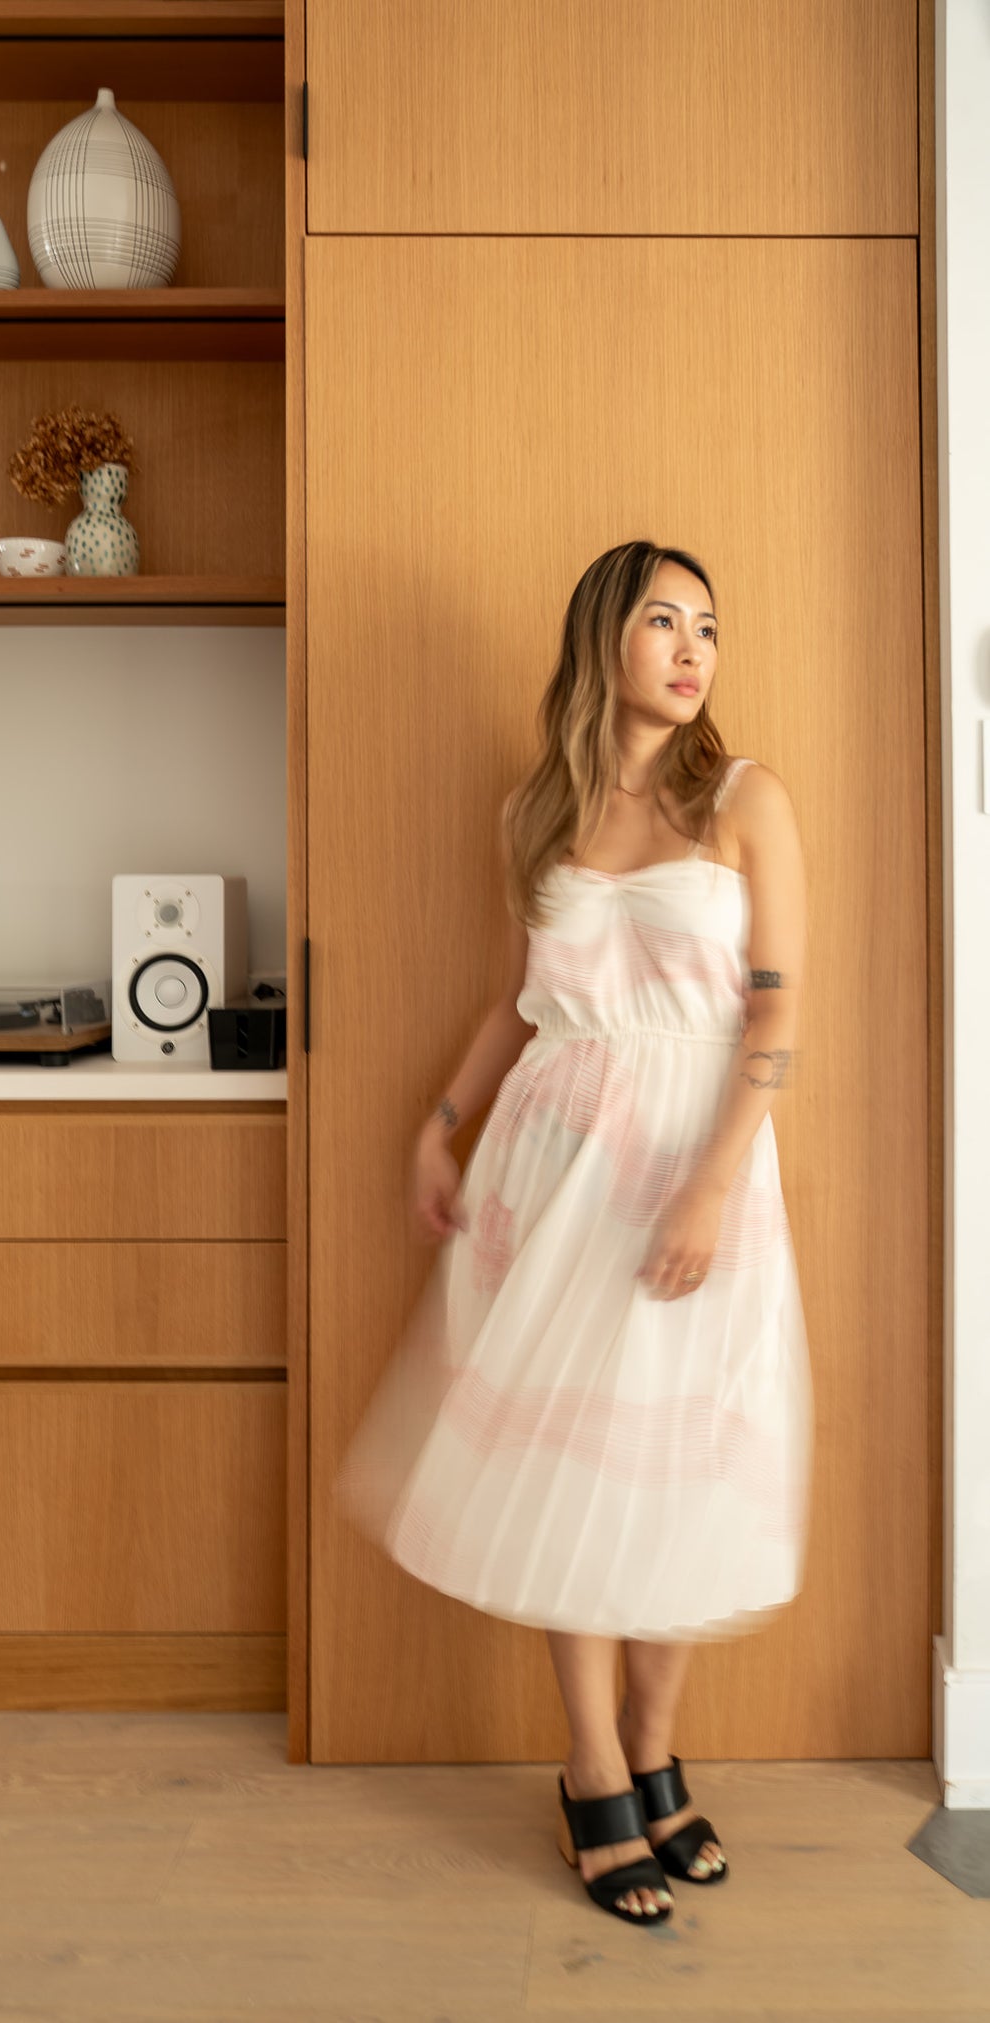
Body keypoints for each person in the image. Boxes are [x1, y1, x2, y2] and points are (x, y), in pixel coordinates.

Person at [336, 538, 814, 1929]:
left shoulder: (740, 797)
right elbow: (517, 1002)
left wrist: (716, 1180)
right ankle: (593, 1765)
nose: (690, 646)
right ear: (600, 636)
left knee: (676, 1460)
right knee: (566, 1460)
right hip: (548, 1168)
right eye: (661, 618)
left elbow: (774, 1009)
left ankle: (657, 1751)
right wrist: (442, 1120)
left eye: (708, 626)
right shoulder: (529, 815)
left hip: (691, 1157)